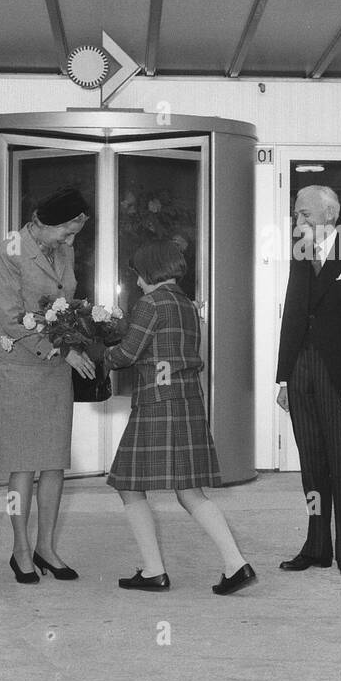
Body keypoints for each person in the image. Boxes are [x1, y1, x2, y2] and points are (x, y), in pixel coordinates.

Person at [102, 239, 254, 596]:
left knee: (127, 484)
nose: (137, 282)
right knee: (190, 491)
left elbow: (126, 354)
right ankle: (235, 564)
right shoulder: (187, 304)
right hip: (186, 402)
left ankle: (154, 571)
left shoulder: (150, 303)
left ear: (151, 271)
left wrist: (99, 353)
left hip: (156, 404)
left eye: (139, 275)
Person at [276, 184, 341, 576]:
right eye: (296, 214)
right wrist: (284, 379)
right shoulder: (300, 254)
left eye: (304, 214)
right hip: (301, 374)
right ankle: (316, 546)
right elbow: (292, 316)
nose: (297, 221)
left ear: (330, 216)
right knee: (312, 465)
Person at [0, 187, 95, 585]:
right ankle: (20, 550)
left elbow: (64, 302)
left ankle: (46, 547)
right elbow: (12, 318)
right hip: (17, 363)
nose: (70, 243)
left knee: (53, 459)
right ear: (43, 223)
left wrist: (78, 334)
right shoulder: (9, 251)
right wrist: (60, 349)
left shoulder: (62, 249)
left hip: (55, 362)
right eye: (65, 233)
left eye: (75, 235)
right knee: (23, 460)